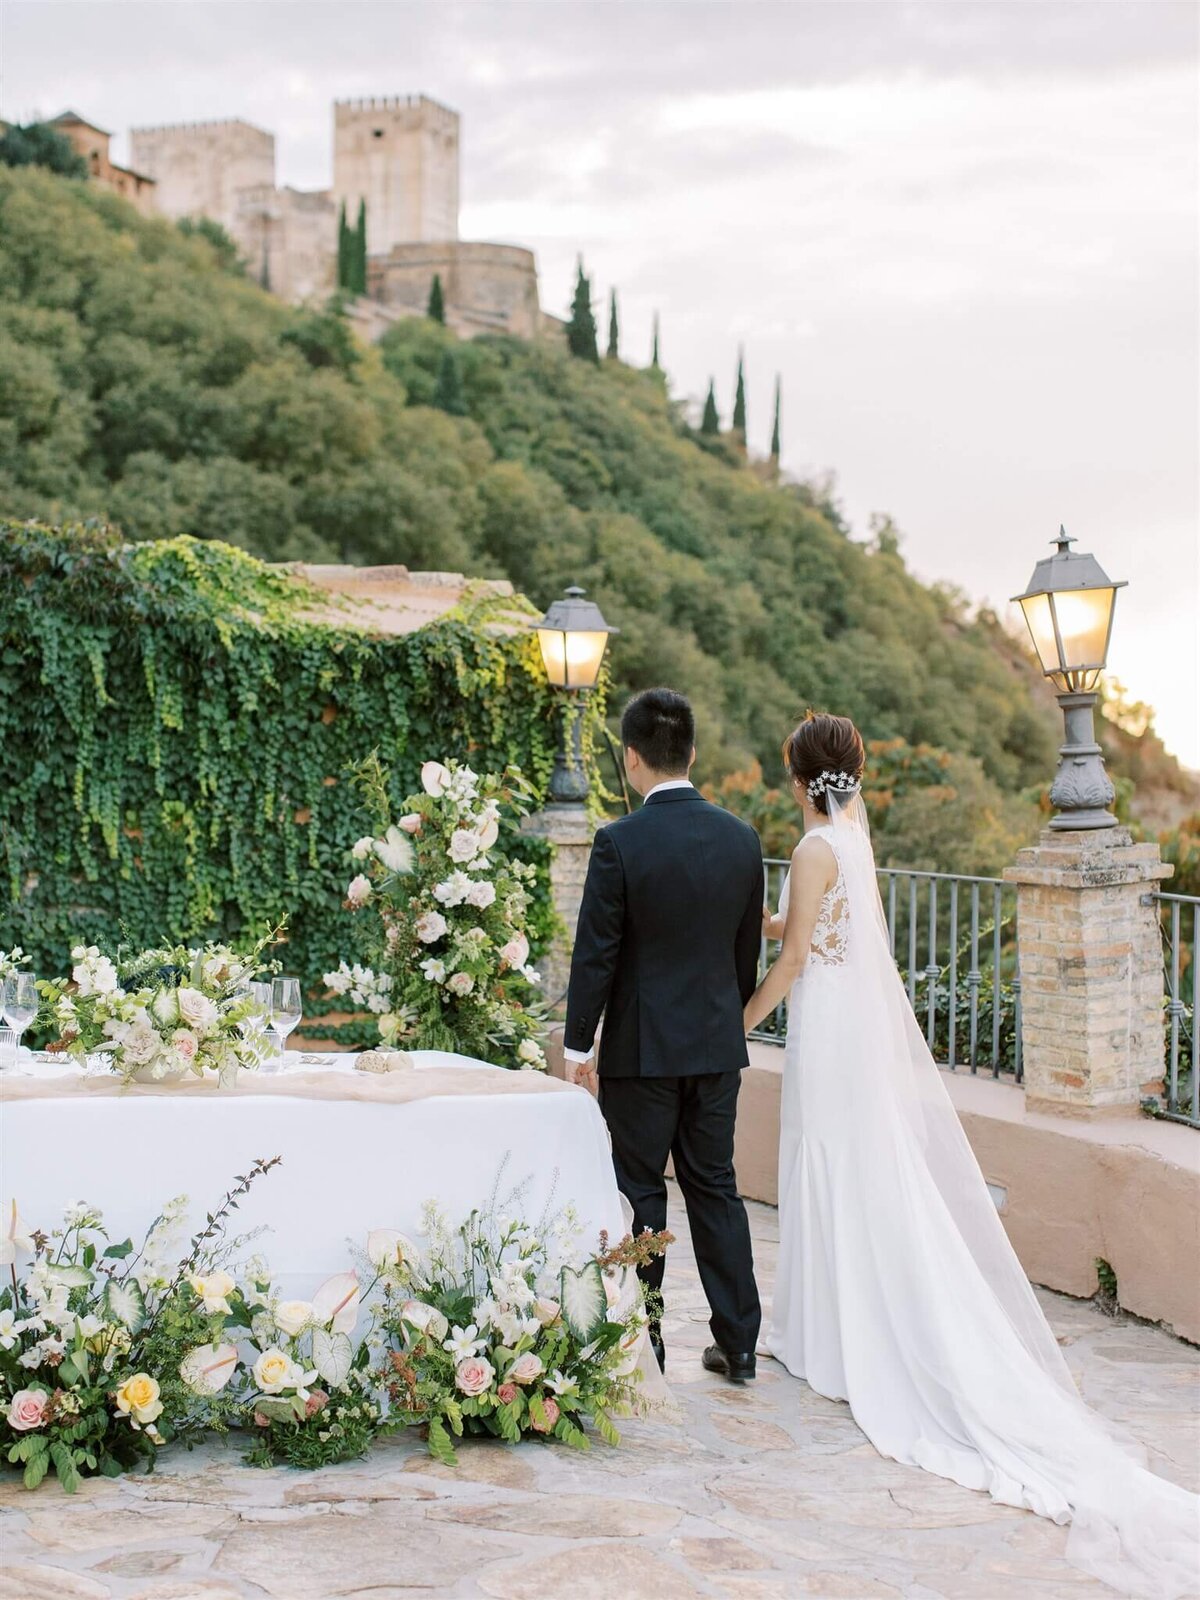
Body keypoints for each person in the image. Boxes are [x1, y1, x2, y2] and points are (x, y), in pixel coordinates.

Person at [744, 710, 1199, 1599]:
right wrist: (758, 923)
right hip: (849, 1033)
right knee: (852, 1171)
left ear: (800, 776)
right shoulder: (851, 839)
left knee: (826, 1165)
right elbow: (826, 932)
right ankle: (828, 1334)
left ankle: (829, 1338)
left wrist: (738, 1023)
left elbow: (800, 956)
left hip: (827, 1036)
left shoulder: (810, 848)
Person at [563, 687, 764, 1381]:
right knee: (715, 1188)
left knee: (641, 1191)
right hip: (715, 1047)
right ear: (694, 754)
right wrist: (719, 1022)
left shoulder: (619, 842)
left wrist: (575, 1049)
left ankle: (645, 1344)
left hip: (641, 1054)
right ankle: (739, 1346)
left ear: (631, 758)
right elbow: (745, 960)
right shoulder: (744, 840)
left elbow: (596, 955)